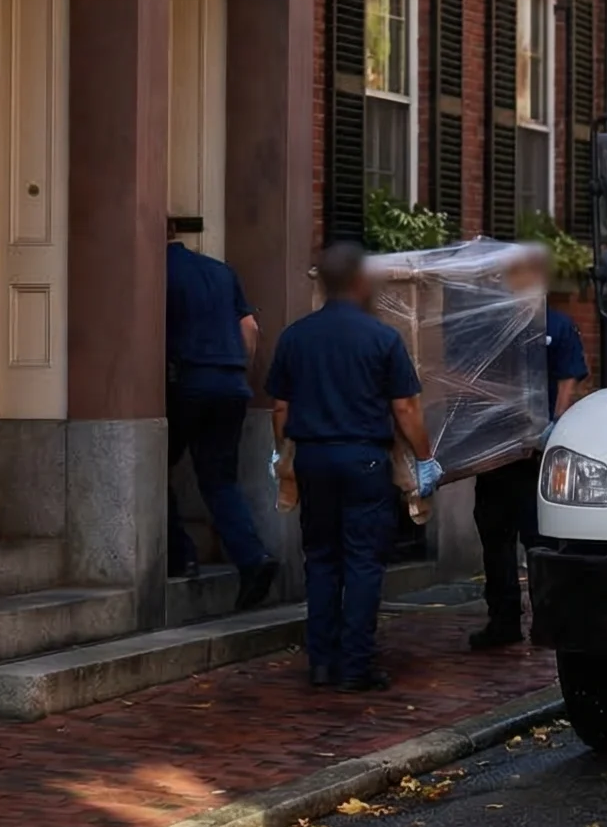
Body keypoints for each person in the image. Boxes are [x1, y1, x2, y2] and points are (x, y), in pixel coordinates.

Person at [266, 242, 442, 692]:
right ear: (362, 283)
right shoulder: (382, 337)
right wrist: (425, 459)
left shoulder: (295, 336)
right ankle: (356, 666)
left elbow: (280, 407)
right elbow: (405, 408)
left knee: (321, 561)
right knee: (363, 563)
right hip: (363, 458)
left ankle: (322, 663)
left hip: (312, 458)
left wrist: (280, 454)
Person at [470, 250, 589, 650]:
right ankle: (506, 621)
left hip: (531, 455)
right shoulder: (495, 328)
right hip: (499, 453)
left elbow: (566, 386)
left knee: (534, 542)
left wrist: (550, 432)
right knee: (501, 541)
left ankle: (538, 621)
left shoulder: (553, 325)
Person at [164, 217, 279, 609]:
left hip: (187, 381)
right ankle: (252, 557)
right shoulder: (219, 270)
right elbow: (250, 329)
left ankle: (181, 555)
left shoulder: (157, 271)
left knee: (155, 469)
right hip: (231, 383)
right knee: (219, 480)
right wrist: (235, 371)